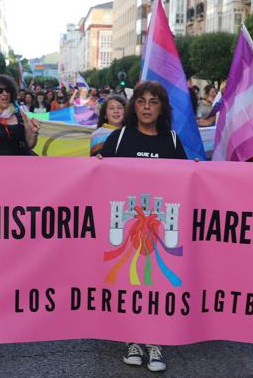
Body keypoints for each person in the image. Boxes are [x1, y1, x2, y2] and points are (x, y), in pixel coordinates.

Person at [100, 81, 188, 372]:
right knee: (130, 283)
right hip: (126, 229)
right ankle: (133, 340)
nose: (147, 107)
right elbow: (99, 179)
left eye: (153, 102)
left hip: (160, 231)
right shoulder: (120, 138)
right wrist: (97, 165)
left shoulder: (172, 141)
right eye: (141, 101)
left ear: (161, 107)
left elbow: (186, 181)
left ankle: (155, 340)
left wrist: (199, 172)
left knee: (159, 285)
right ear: (133, 106)